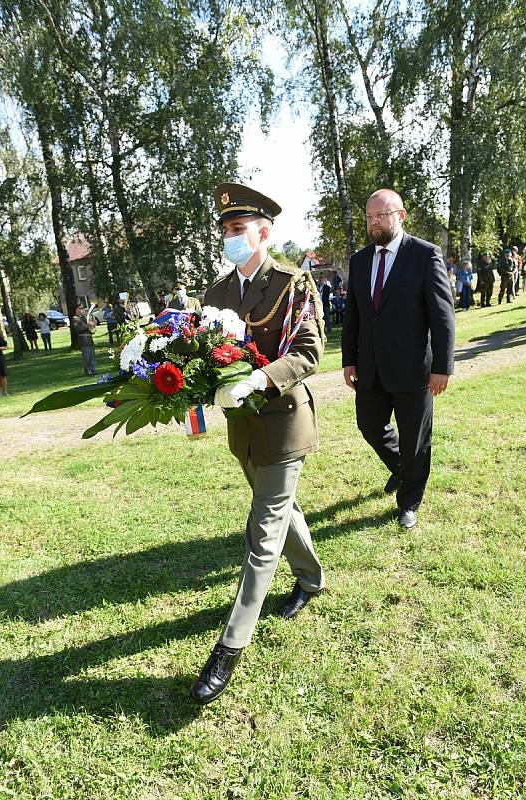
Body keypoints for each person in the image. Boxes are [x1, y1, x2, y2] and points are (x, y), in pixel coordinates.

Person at [190, 181, 326, 705]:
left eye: (238, 229)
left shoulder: (294, 284)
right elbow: (201, 358)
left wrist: (261, 378)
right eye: (224, 230)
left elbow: (310, 352)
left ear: (264, 232)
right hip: (242, 432)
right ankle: (312, 578)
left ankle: (228, 648)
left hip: (285, 422)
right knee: (283, 510)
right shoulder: (217, 294)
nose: (230, 237)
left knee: (262, 535)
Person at [341, 188, 455, 529]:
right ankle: (403, 471)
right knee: (370, 426)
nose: (374, 222)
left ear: (400, 215)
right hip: (371, 369)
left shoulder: (425, 255)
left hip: (414, 369)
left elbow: (442, 316)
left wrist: (441, 368)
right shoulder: (360, 260)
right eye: (369, 217)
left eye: (382, 215)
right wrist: (349, 360)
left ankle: (409, 502)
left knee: (415, 439)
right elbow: (354, 316)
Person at [72, 304, 97, 376]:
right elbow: (78, 329)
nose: (82, 310)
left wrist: (93, 323)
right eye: (80, 308)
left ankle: (93, 370)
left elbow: (90, 328)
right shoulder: (75, 319)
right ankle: (88, 371)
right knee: (86, 357)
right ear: (76, 310)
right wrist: (88, 325)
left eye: (83, 308)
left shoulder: (84, 318)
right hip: (83, 339)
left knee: (92, 356)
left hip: (89, 339)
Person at [0, 326, 7, 396]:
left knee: (3, 375)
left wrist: (0, 348)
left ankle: (5, 391)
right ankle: (0, 392)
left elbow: (5, 346)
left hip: (0, 358)